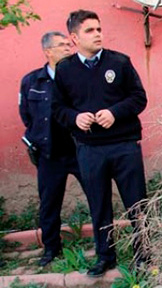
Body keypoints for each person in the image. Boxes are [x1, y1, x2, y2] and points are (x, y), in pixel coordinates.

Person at [52, 9, 148, 277]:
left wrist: (114, 112)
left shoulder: (119, 63)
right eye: (89, 30)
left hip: (124, 145)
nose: (97, 34)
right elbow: (58, 108)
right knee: (99, 204)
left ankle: (144, 254)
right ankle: (105, 257)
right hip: (89, 149)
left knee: (137, 203)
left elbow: (139, 98)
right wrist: (75, 118)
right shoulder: (65, 69)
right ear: (74, 37)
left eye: (98, 29)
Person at [19, 31, 85, 267]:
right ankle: (51, 249)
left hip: (80, 150)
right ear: (48, 52)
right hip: (49, 154)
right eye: (62, 45)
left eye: (69, 44)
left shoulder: (79, 77)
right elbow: (26, 115)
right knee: (49, 203)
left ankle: (105, 245)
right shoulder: (31, 81)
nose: (69, 48)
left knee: (97, 197)